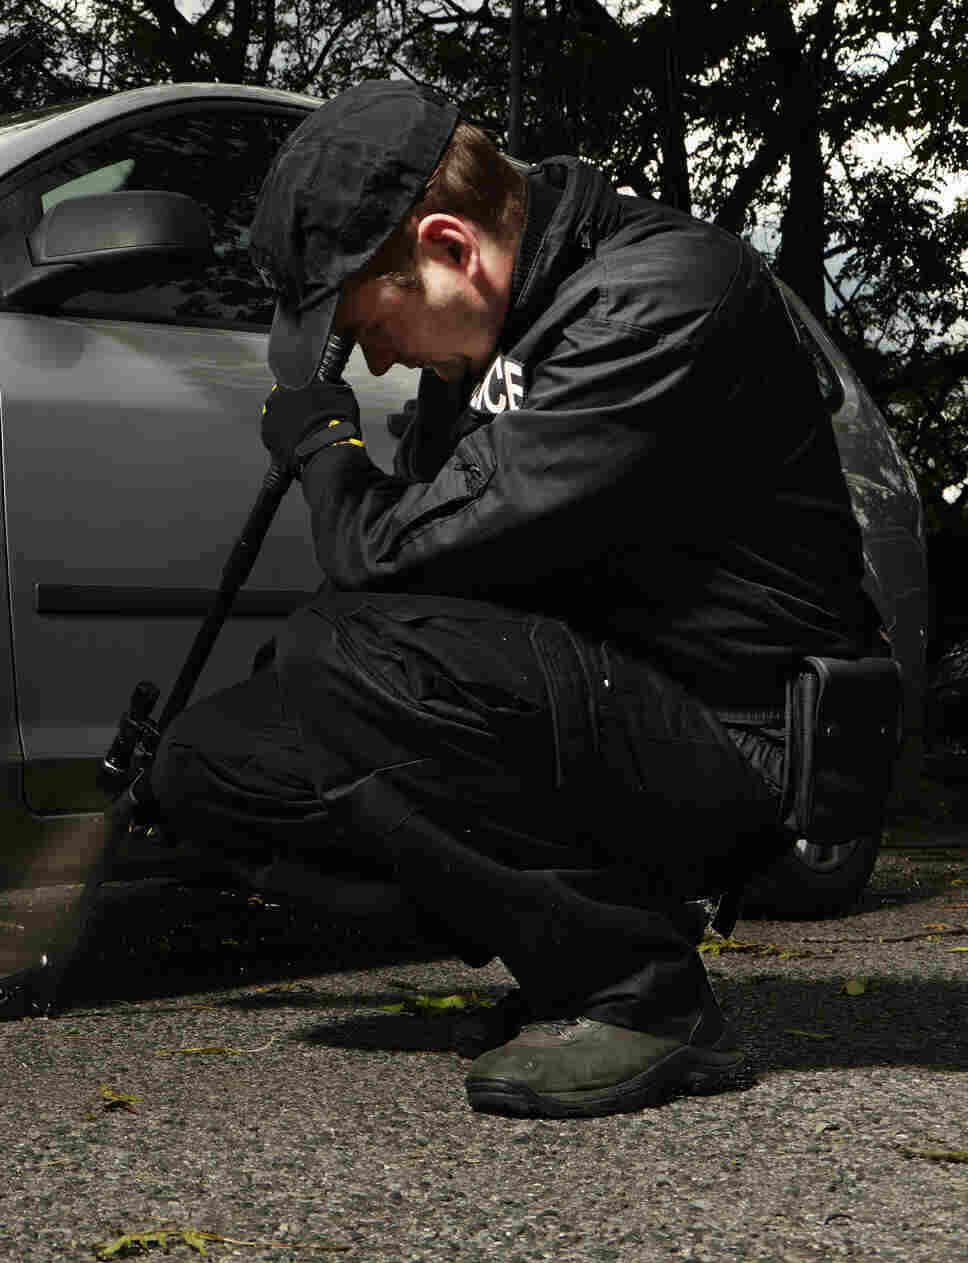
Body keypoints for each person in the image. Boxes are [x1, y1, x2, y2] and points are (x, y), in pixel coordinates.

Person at [148, 80, 876, 1118]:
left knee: (338, 650)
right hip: (604, 703)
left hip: (745, 742)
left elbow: (388, 558)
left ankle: (642, 993)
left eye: (373, 325)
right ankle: (552, 942)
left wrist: (323, 442)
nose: (382, 360)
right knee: (212, 764)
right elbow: (429, 569)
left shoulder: (656, 295)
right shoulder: (493, 340)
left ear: (450, 246)